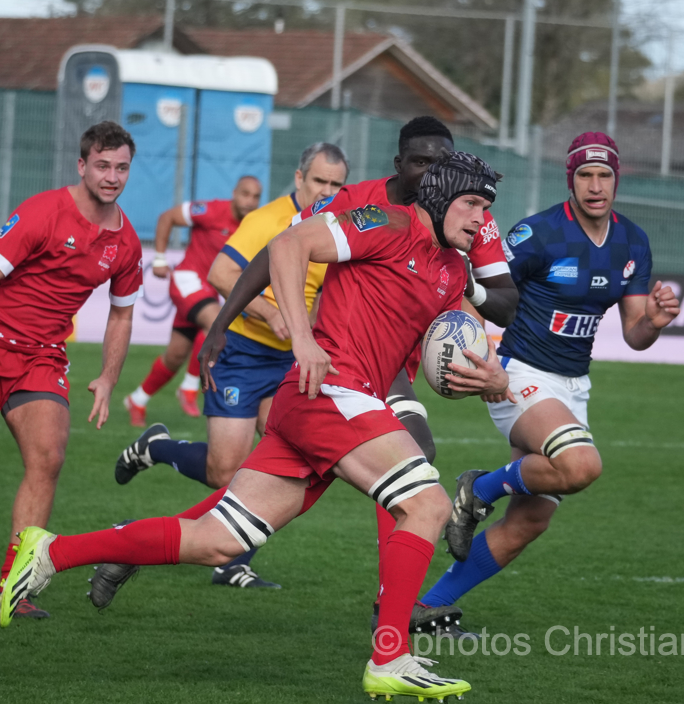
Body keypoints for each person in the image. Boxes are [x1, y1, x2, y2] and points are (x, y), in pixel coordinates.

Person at [0, 152, 512, 703]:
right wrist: (303, 336)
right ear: (437, 199)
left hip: (330, 404)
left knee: (218, 542)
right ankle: (390, 655)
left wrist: (487, 377)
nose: (481, 219)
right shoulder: (385, 224)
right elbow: (287, 246)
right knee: (428, 503)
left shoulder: (453, 270)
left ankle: (50, 550)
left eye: (487, 208)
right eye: (472, 204)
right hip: (330, 393)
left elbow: (450, 350)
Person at [199, 116, 519, 633]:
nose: (432, 172)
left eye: (442, 163)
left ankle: (165, 538)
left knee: (298, 476)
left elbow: (505, 299)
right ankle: (394, 610)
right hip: (348, 354)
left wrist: (468, 290)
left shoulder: (470, 215)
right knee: (415, 463)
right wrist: (225, 320)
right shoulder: (364, 204)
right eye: (420, 162)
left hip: (399, 359)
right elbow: (279, 248)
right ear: (400, 165)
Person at [423, 131, 681, 618]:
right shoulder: (538, 234)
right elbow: (476, 286)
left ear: (617, 179)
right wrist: (481, 354)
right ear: (571, 179)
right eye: (585, 174)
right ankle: (476, 490)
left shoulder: (631, 241)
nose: (596, 185)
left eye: (605, 175)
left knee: (530, 521)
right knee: (582, 467)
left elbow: (634, 334)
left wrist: (654, 321)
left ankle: (426, 606)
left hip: (571, 386)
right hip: (518, 373)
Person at [0, 120, 143, 620]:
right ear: (82, 165)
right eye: (102, 165)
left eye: (122, 167)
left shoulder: (126, 242)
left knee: (48, 458)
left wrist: (108, 377)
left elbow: (123, 312)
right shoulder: (43, 211)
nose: (112, 176)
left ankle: (11, 589)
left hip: (41, 356)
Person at [105, 143, 346, 595]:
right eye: (319, 181)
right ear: (299, 179)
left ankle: (234, 563)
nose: (327, 191)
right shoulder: (267, 221)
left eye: (336, 183)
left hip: (289, 363)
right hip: (242, 354)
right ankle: (157, 448)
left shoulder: (337, 226)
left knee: (287, 465)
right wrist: (271, 313)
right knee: (223, 471)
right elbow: (219, 273)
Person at [123, 176, 262, 426]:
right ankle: (189, 388)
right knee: (217, 323)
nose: (250, 201)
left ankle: (137, 399)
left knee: (175, 356)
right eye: (245, 194)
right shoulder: (210, 210)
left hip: (209, 291)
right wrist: (160, 259)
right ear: (234, 193)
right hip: (187, 280)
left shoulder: (253, 225)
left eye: (255, 196)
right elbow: (168, 217)